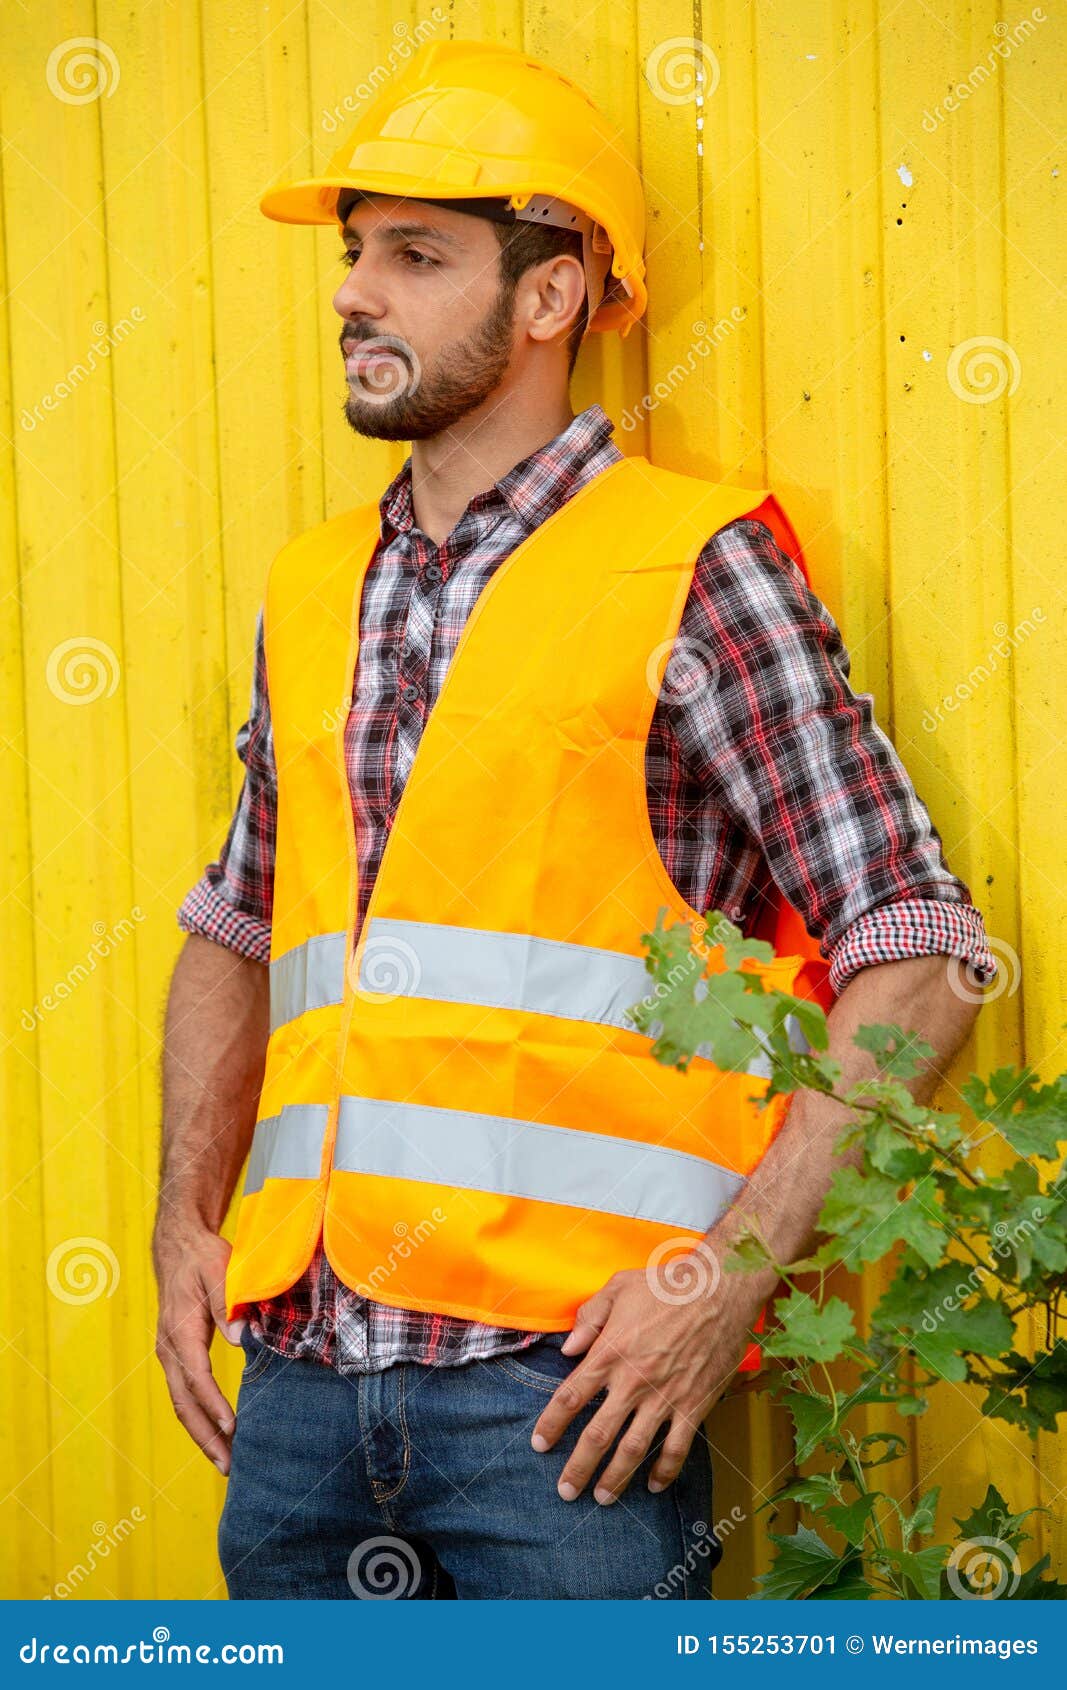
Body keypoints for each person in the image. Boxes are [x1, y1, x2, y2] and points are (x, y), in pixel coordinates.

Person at [152, 40, 994, 1600]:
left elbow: (925, 947)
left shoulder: (694, 560)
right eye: (357, 255)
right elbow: (239, 917)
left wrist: (723, 1286)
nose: (355, 294)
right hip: (295, 1393)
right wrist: (180, 1217)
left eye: (418, 256)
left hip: (558, 1410)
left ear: (550, 298)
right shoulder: (311, 584)